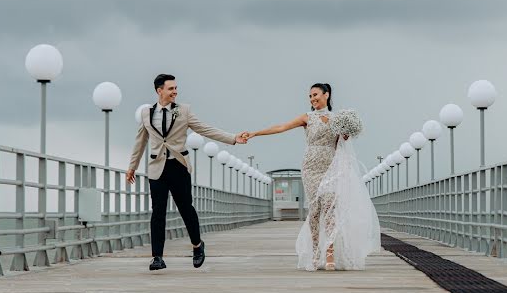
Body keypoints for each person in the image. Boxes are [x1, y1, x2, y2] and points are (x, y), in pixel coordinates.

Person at [242, 83, 380, 270]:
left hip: (332, 166)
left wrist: (346, 134)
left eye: (315, 94)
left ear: (326, 95)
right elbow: (282, 127)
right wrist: (255, 133)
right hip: (311, 167)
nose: (312, 99)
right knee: (315, 210)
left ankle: (330, 254)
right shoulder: (307, 118)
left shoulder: (337, 119)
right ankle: (316, 251)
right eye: (310, 96)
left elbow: (342, 143)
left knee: (331, 207)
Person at [127, 74, 247, 271]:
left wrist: (233, 138)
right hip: (157, 168)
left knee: (186, 209)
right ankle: (157, 257)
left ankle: (197, 246)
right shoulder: (147, 113)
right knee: (158, 212)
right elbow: (140, 141)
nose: (175, 91)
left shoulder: (183, 111)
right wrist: (132, 166)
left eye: (176, 88)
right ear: (159, 91)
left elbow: (205, 129)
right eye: (171, 88)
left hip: (178, 166)